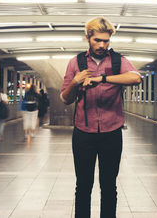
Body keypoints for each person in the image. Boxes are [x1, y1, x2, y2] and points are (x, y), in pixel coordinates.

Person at [60, 17, 141, 218]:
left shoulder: (117, 61)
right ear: (88, 38)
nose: (102, 45)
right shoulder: (76, 62)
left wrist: (102, 78)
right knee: (83, 185)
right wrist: (76, 83)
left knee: (109, 185)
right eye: (97, 40)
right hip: (83, 133)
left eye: (106, 41)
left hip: (111, 132)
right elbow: (64, 99)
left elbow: (136, 77)